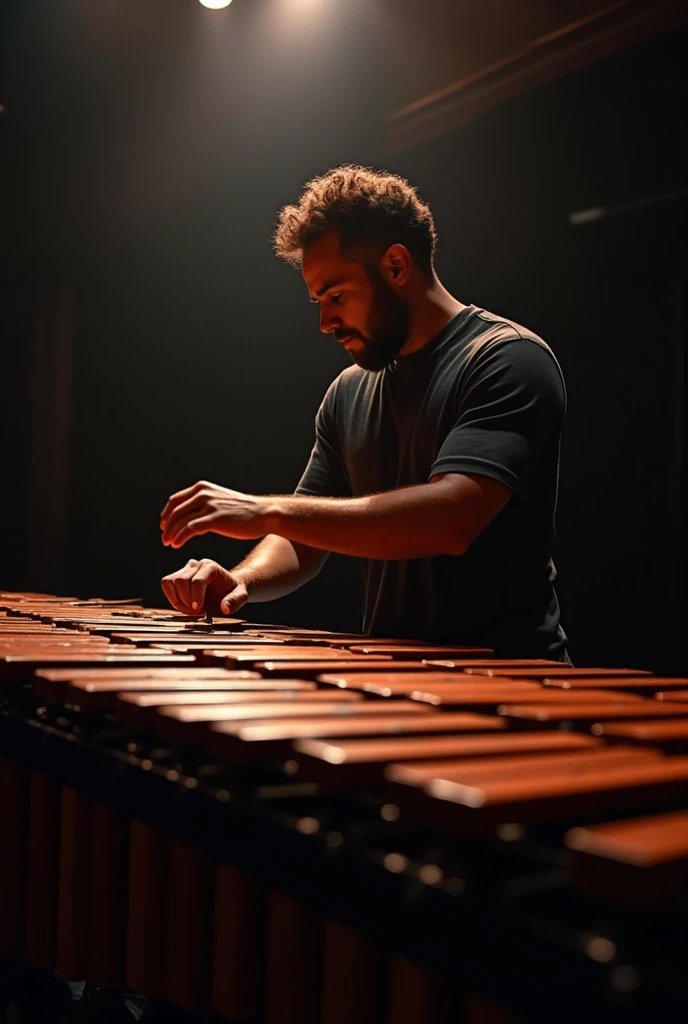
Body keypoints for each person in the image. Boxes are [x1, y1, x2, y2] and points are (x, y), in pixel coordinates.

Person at [160, 165, 569, 660]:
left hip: (512, 686)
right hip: (396, 680)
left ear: (396, 266)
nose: (325, 322)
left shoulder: (508, 359)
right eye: (317, 300)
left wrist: (266, 509)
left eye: (336, 296)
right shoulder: (347, 391)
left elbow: (451, 520)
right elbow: (303, 539)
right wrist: (241, 581)